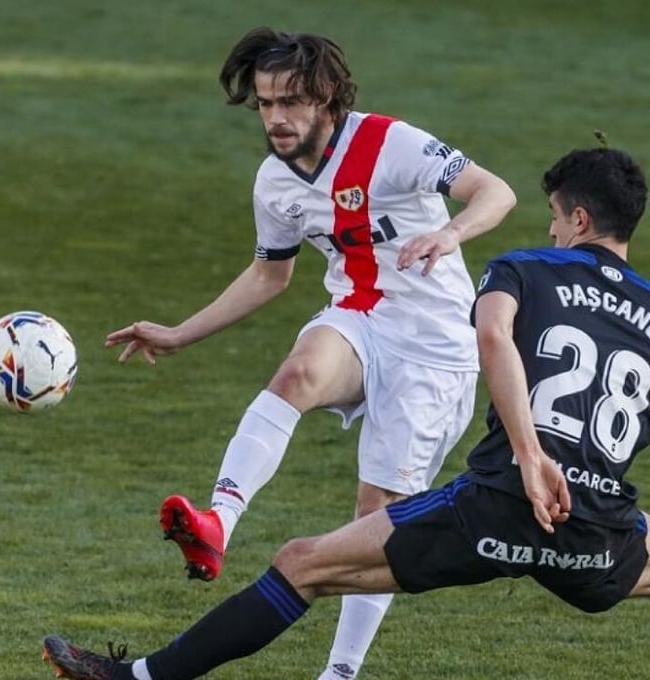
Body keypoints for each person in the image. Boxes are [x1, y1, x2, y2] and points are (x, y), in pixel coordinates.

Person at [46, 146, 650, 680]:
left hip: (498, 505)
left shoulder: (522, 268)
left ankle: (140, 678)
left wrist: (528, 456)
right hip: (596, 527)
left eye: (553, 217)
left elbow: (490, 336)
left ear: (578, 219)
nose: (550, 231)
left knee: (302, 564)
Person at [103, 27, 516, 680]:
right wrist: (182, 332)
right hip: (360, 318)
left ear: (326, 97)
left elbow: (497, 191)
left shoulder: (390, 143)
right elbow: (270, 275)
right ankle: (218, 524)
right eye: (265, 103)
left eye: (290, 102)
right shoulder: (275, 181)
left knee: (374, 521)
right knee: (297, 373)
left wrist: (450, 232)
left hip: (436, 351)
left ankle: (341, 672)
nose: (276, 118)